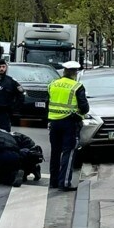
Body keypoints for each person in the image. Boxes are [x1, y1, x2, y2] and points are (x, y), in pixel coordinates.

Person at [47, 61, 89, 191]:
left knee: (55, 152)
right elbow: (84, 108)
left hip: (54, 122)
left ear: (64, 72)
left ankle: (53, 181)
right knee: (69, 152)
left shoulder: (53, 84)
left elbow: (48, 102)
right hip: (69, 123)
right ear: (74, 73)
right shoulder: (77, 86)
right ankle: (64, 182)